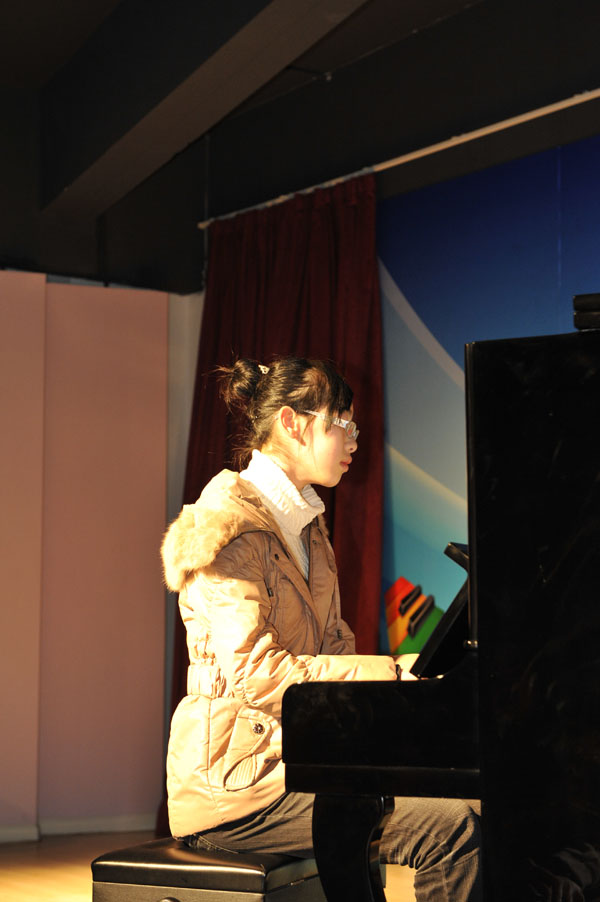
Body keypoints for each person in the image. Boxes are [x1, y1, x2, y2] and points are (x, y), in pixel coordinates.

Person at [161, 356, 481, 902]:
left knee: (482, 802)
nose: (354, 439)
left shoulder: (306, 526)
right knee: (451, 827)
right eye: (342, 423)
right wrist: (392, 674)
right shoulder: (226, 526)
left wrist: (406, 687)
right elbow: (257, 675)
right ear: (292, 423)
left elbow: (334, 651)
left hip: (305, 761)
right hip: (240, 783)